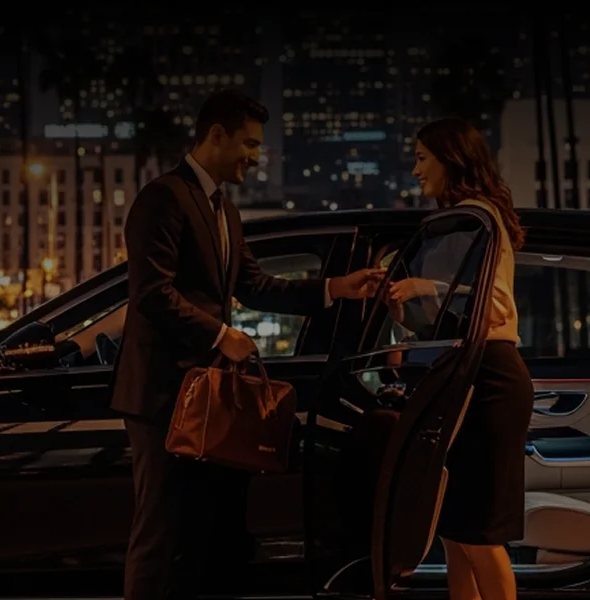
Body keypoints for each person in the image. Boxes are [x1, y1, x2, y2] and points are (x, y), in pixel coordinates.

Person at [111, 88, 387, 600]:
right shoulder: (163, 197)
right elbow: (150, 293)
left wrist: (335, 287)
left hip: (209, 399)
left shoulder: (224, 209)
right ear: (217, 135)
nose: (256, 157)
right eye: (250, 144)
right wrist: (221, 335)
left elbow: (255, 284)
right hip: (161, 396)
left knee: (207, 536)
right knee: (161, 534)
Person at [384, 117, 532, 600]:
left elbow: (495, 305)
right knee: (454, 531)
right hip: (467, 374)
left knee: (479, 534)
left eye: (423, 157)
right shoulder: (463, 220)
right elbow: (451, 317)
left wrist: (424, 287)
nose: (415, 169)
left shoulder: (477, 218)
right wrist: (404, 309)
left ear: (451, 158)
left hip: (489, 379)